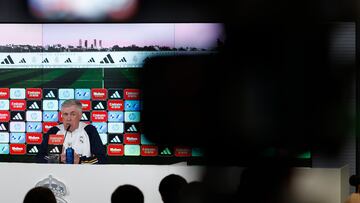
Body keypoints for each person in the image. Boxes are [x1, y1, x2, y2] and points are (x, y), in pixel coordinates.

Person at [36, 99, 106, 164]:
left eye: (73, 114)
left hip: (85, 174)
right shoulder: (54, 131)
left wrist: (80, 161)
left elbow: (102, 159)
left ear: (80, 116)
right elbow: (39, 158)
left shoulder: (89, 130)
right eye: (65, 114)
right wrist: (57, 159)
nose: (68, 118)